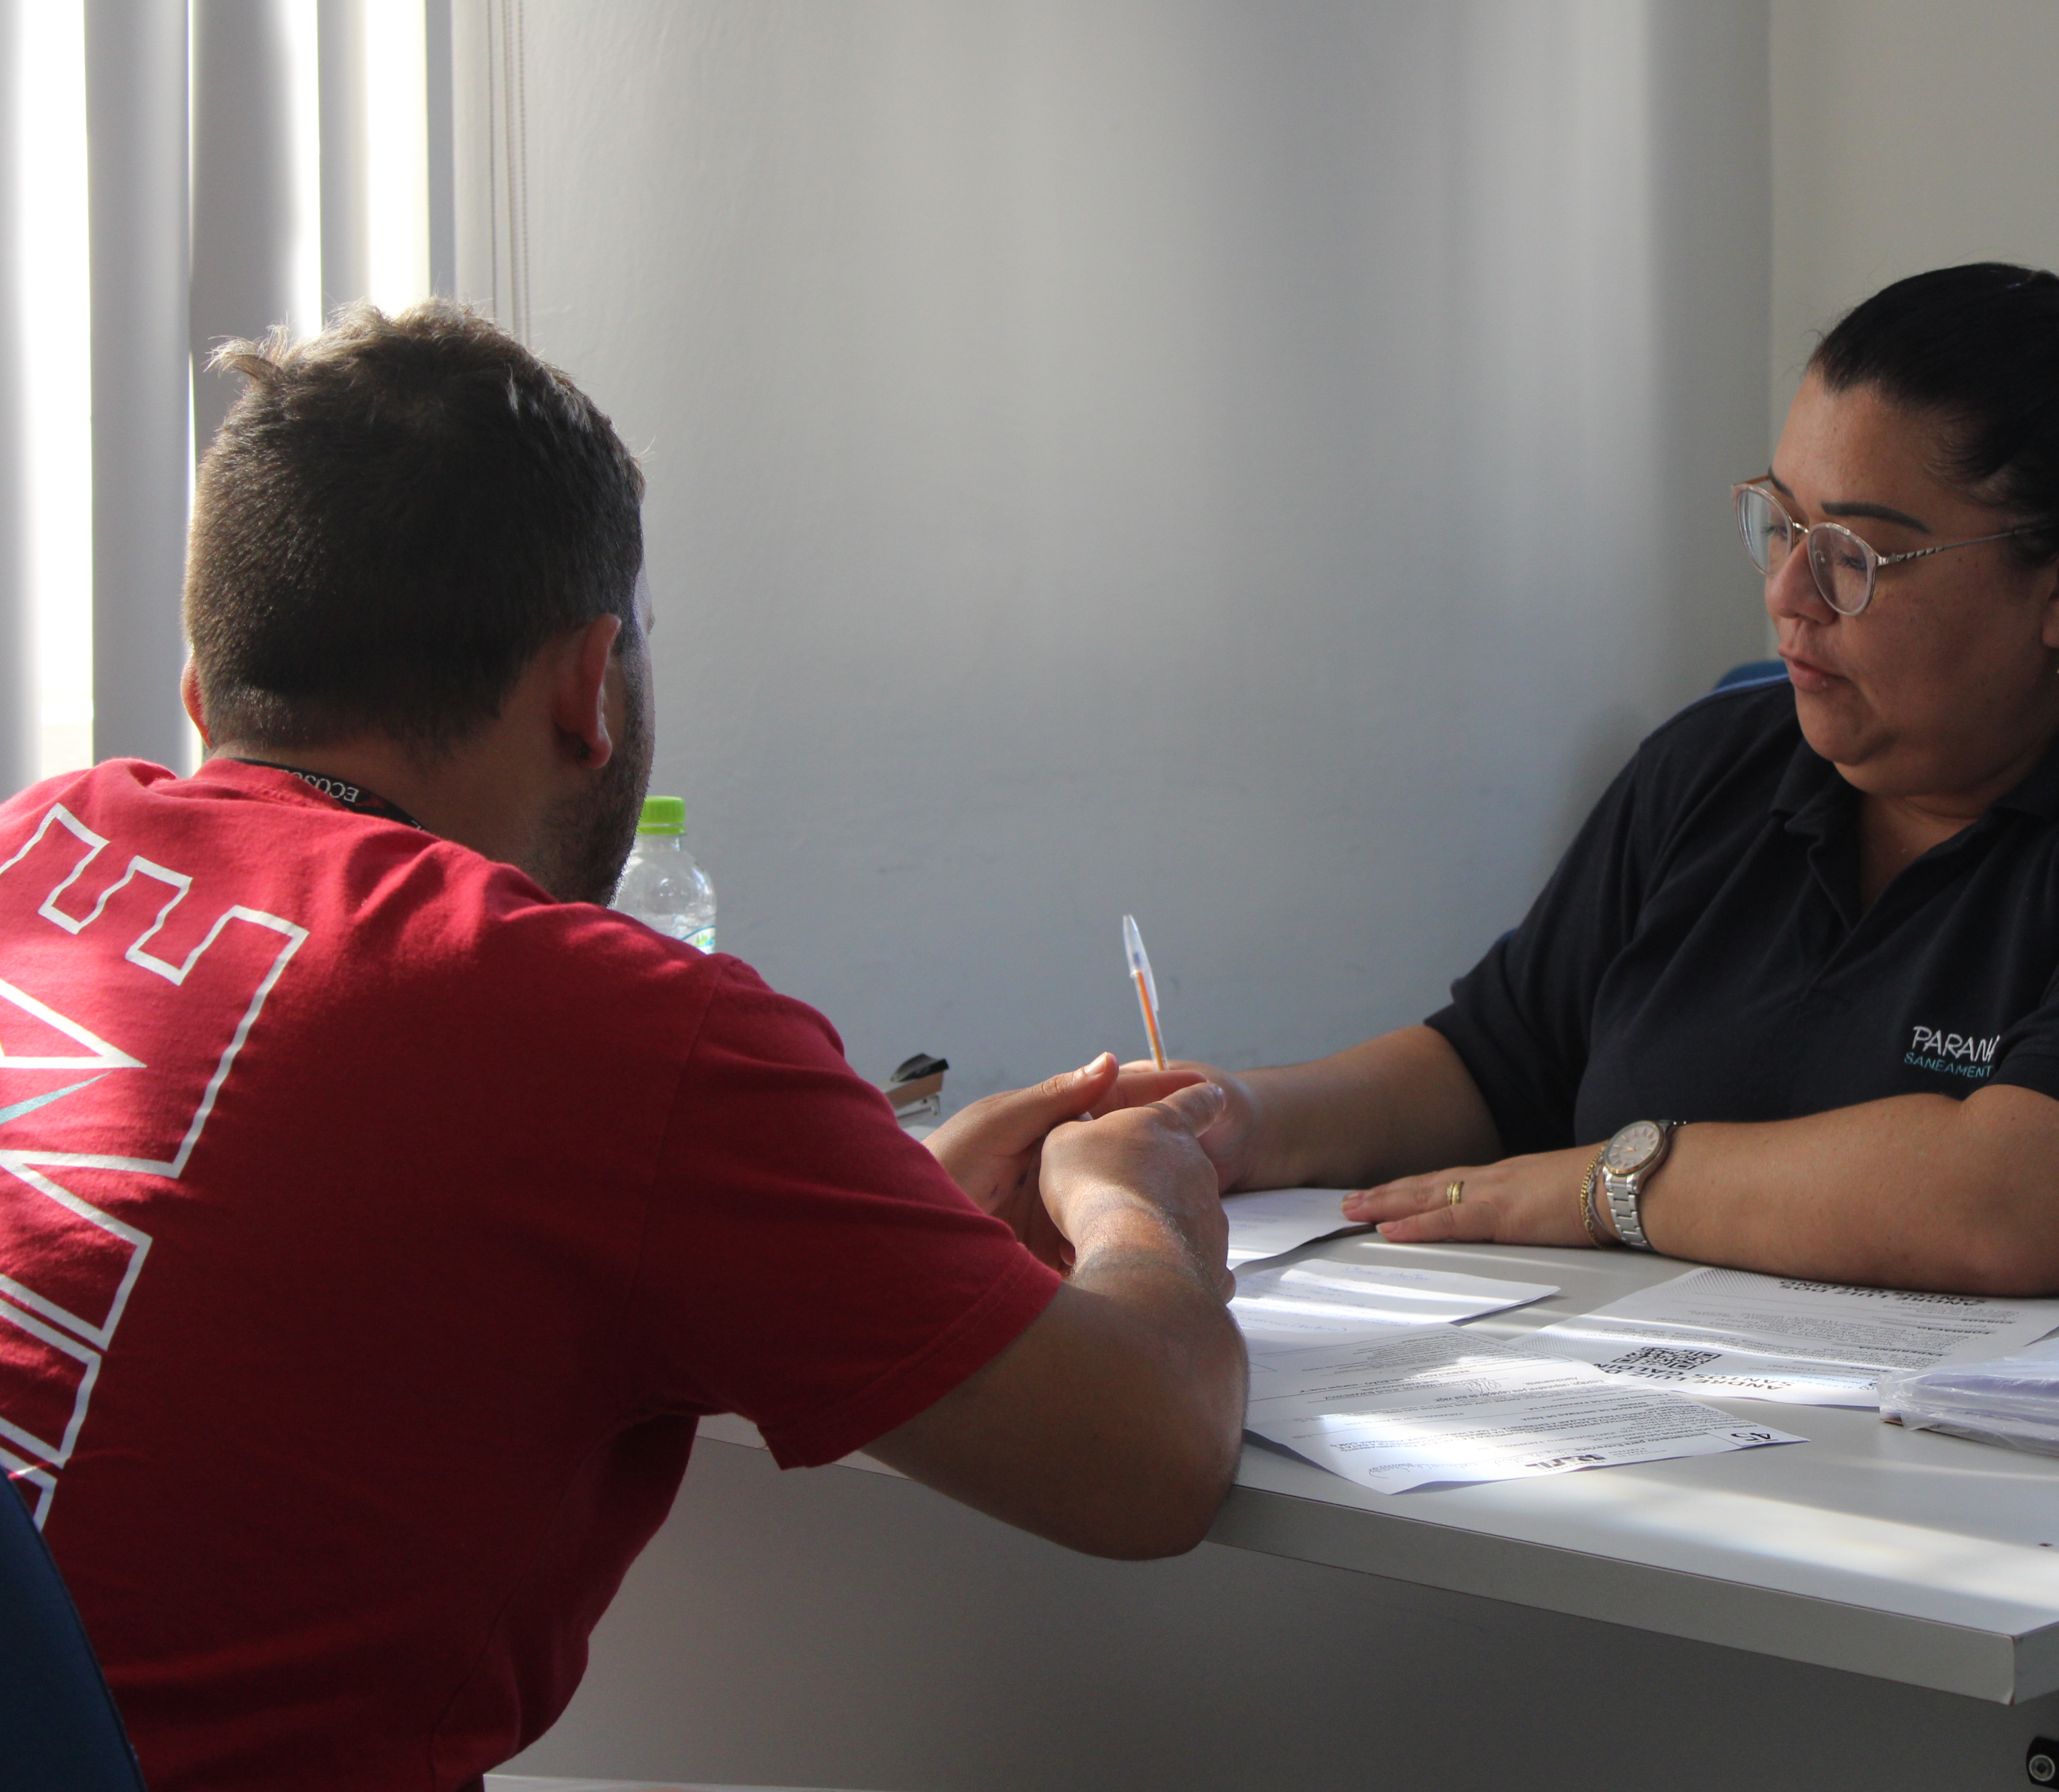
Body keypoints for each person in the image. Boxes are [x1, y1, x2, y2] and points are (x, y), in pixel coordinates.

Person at [1162, 265, 2059, 1790]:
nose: (1791, 594)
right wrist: (1234, 1119)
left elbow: (2013, 1204)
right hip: (1754, 1498)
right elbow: (1492, 1059)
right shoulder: (1717, 770)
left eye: (1861, 553)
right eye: (1779, 523)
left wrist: (1611, 1179)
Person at [0, 301, 1245, 1789]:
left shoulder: (36, 844)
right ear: (591, 686)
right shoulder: (612, 1025)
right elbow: (1150, 1450)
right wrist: (1131, 1203)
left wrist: (883, 1207)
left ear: (213, 700)